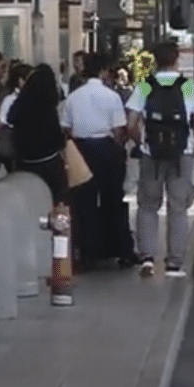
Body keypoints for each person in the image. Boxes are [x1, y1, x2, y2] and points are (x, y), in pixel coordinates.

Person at [126, 40, 194, 278]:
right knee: (178, 208)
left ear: (155, 61)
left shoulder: (145, 86)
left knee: (147, 206)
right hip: (181, 154)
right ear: (176, 60)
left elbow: (131, 123)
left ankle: (147, 258)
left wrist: (141, 144)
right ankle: (174, 263)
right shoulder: (188, 87)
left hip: (151, 155)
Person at [62, 53, 136, 269]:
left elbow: (66, 128)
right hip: (107, 148)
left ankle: (86, 252)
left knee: (84, 202)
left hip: (81, 150)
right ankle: (122, 250)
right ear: (104, 71)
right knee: (113, 201)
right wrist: (119, 151)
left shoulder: (73, 97)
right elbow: (119, 130)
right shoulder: (111, 96)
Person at [8, 66, 67, 210]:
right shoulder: (49, 105)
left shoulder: (22, 102)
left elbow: (10, 118)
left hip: (26, 162)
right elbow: (58, 135)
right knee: (56, 200)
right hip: (50, 160)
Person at [0, 62, 34, 172]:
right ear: (20, 80)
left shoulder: (33, 98)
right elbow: (2, 123)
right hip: (16, 150)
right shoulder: (10, 100)